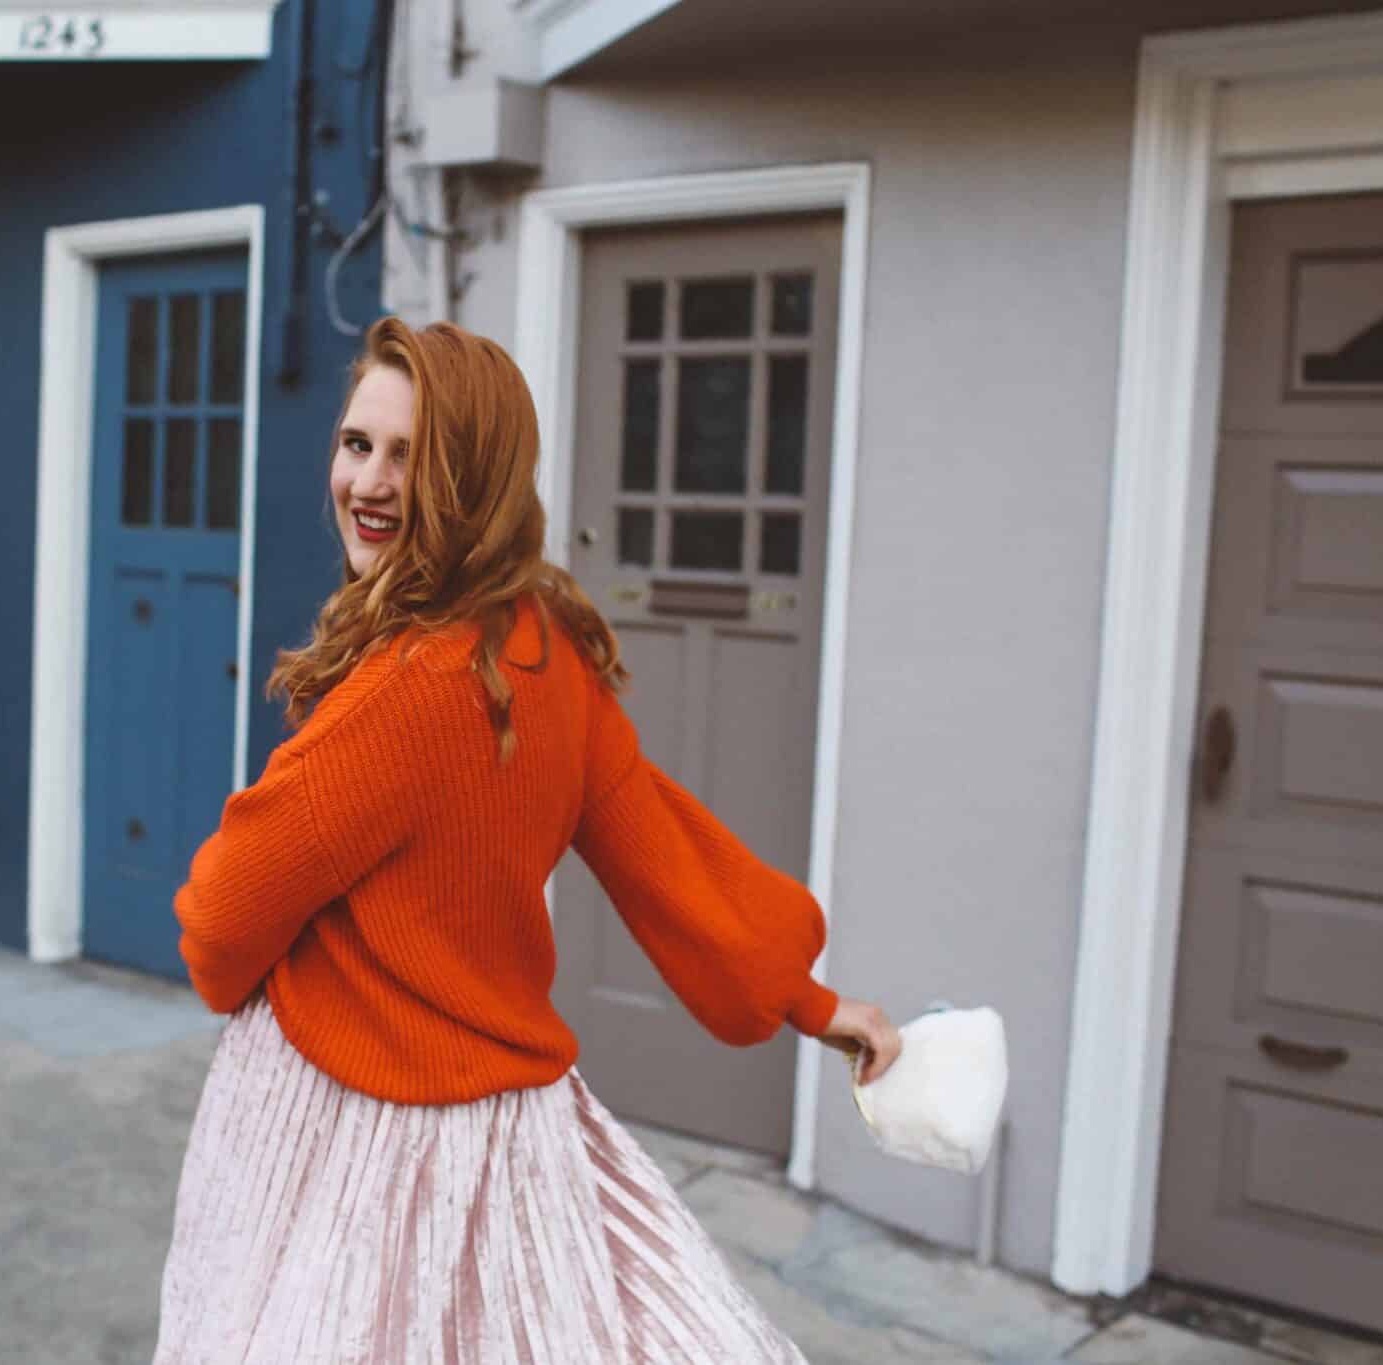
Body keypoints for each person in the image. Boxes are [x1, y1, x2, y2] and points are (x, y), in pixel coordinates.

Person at [152, 318, 900, 1364]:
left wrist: (244, 980)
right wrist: (812, 1003)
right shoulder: (542, 648)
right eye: (356, 443)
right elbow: (668, 864)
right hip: (510, 1134)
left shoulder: (404, 689)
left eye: (411, 456)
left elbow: (221, 918)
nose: (366, 481)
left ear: (475, 478)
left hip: (347, 1123)